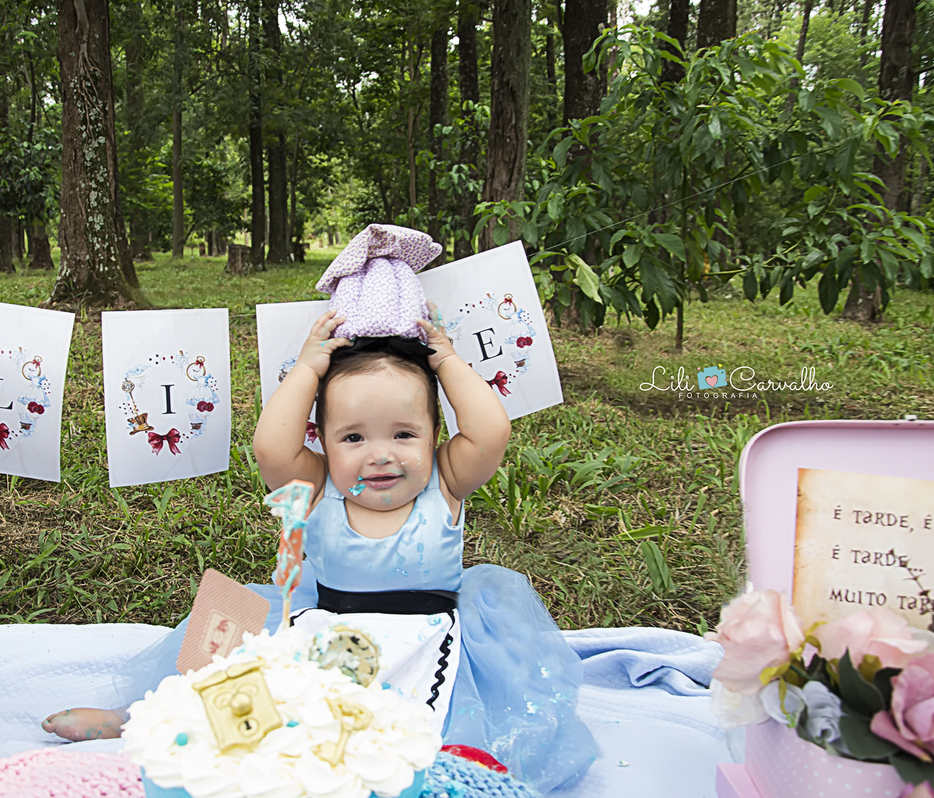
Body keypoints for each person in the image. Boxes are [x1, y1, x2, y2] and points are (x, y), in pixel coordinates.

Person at [45, 227, 597, 795]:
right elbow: (270, 448)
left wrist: (448, 361)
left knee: (409, 753)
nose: (380, 454)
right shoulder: (317, 486)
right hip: (320, 632)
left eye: (404, 433)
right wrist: (307, 370)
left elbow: (492, 429)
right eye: (353, 437)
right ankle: (140, 715)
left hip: (424, 647)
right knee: (228, 644)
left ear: (436, 434)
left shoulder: (445, 480)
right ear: (324, 443)